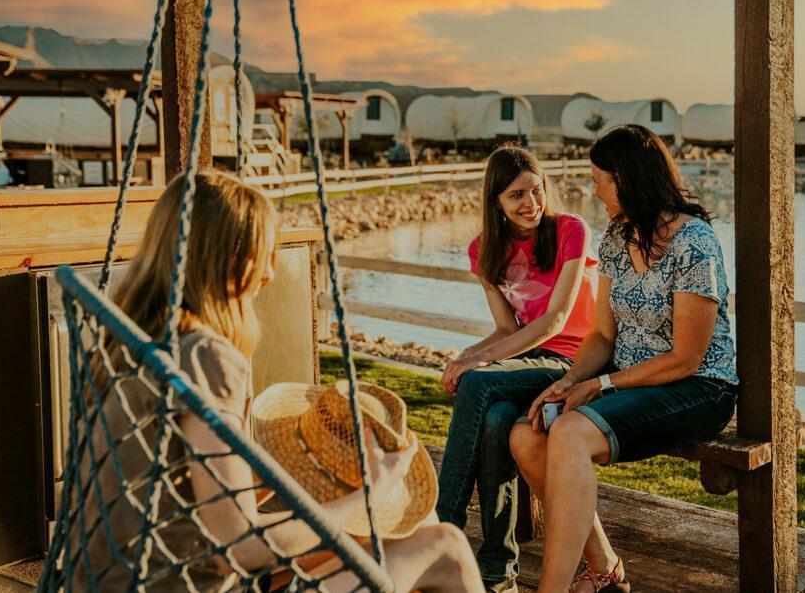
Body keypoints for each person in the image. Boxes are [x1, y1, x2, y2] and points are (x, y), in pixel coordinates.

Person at [75, 170, 480, 592]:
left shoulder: (129, 341)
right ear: (225, 257)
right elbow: (240, 549)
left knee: (395, 530)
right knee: (446, 544)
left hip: (117, 574)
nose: (270, 273)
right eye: (263, 253)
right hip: (185, 580)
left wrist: (292, 471)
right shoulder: (206, 357)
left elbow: (191, 494)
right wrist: (370, 496)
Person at [509, 125, 737, 592]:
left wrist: (602, 386)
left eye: (600, 180)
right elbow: (600, 334)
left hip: (698, 389)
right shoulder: (616, 236)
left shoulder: (695, 243)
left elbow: (687, 358)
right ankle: (606, 569)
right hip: (628, 382)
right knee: (527, 434)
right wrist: (569, 381)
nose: (594, 191)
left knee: (570, 432)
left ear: (627, 179)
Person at [436, 146, 597, 593]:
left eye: (536, 189)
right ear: (496, 202)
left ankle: (441, 528)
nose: (531, 203)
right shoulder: (483, 249)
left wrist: (480, 363)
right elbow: (505, 328)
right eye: (516, 195)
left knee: (477, 384)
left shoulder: (570, 230)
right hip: (528, 358)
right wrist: (466, 356)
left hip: (574, 361)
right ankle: (497, 568)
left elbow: (558, 321)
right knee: (494, 419)